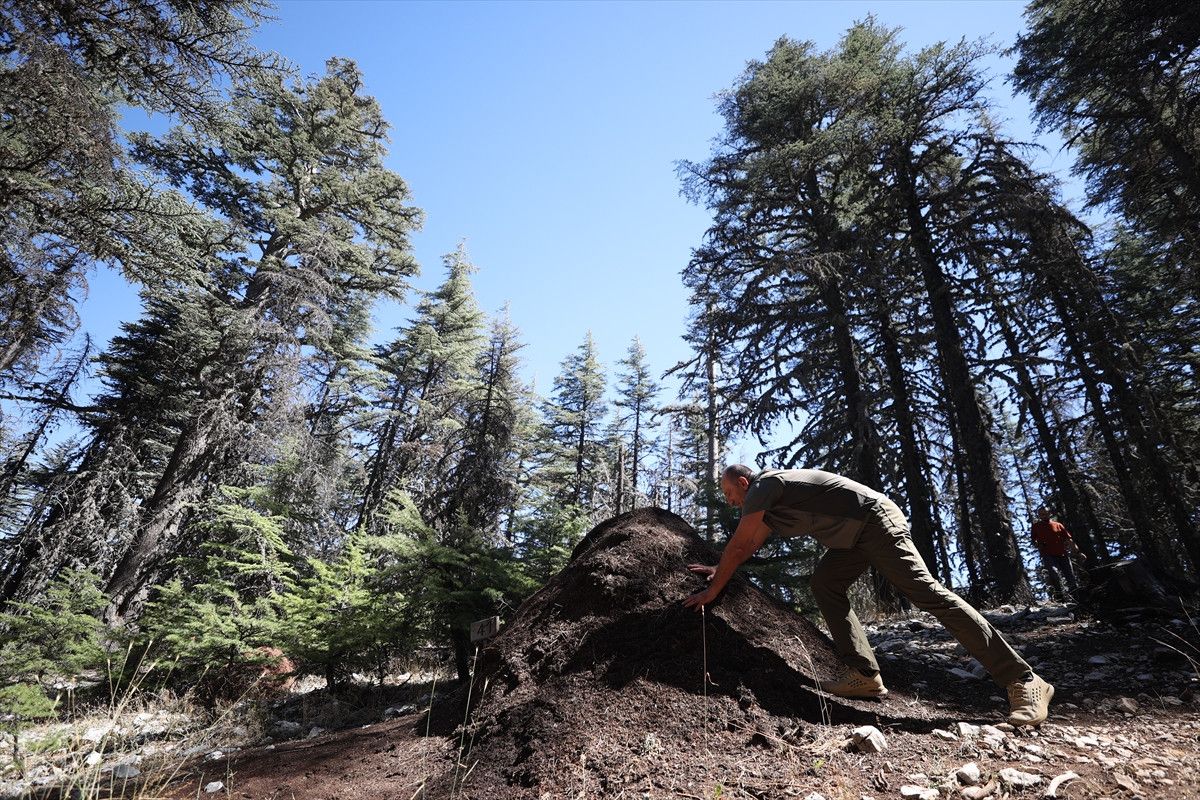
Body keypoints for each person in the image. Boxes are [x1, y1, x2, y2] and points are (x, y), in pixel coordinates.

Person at [683, 465, 1054, 726]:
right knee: (825, 583)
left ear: (744, 483)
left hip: (876, 521)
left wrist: (713, 590)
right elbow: (745, 547)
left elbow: (738, 543)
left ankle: (1023, 680)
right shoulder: (768, 503)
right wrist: (721, 569)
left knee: (927, 595)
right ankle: (864, 674)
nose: (730, 502)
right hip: (853, 539)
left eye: (730, 494)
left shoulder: (765, 486)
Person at [1031, 506, 1085, 599]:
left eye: (1044, 514)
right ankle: (1060, 599)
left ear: (1049, 513)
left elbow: (1069, 540)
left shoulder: (1058, 525)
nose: (1043, 516)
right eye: (1040, 514)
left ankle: (1077, 600)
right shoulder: (1036, 526)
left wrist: (1078, 552)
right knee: (1054, 573)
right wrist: (1037, 544)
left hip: (1063, 555)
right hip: (1048, 555)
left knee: (1071, 577)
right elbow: (1033, 540)